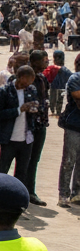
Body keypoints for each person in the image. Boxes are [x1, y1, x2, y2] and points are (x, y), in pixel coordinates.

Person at [0, 64, 39, 179]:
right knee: (3, 169)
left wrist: (35, 108)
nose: (31, 82)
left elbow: (36, 108)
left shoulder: (31, 90)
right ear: (22, 78)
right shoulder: (5, 91)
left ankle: (17, 196)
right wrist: (19, 110)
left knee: (22, 172)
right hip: (9, 139)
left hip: (26, 139)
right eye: (30, 79)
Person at [23, 48, 51, 206]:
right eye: (43, 61)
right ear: (34, 61)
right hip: (27, 125)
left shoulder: (42, 78)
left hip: (40, 124)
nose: (46, 64)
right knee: (23, 159)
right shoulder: (25, 77)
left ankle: (30, 192)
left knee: (34, 159)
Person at [57, 54, 80, 207]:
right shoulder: (75, 78)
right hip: (74, 125)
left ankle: (76, 194)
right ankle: (63, 194)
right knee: (69, 160)